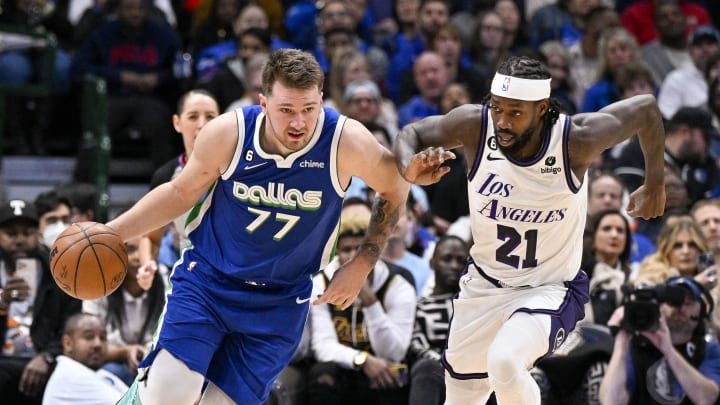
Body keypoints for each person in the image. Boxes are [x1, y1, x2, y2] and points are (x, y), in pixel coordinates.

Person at [109, 48, 409, 405]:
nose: (298, 123)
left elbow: (395, 186)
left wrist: (360, 265)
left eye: (308, 110)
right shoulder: (229, 133)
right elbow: (179, 191)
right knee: (168, 398)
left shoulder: (345, 141)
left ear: (322, 100)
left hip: (281, 300)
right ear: (264, 103)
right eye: (286, 110)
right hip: (208, 283)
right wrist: (110, 233)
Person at [393, 55, 666, 404]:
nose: (503, 122)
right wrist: (408, 167)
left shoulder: (575, 140)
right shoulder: (475, 127)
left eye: (516, 112)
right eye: (498, 109)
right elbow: (410, 133)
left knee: (505, 362)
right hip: (484, 287)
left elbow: (646, 108)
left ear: (541, 109)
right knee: (461, 396)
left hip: (549, 289)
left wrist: (655, 180)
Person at [307, 209, 416, 404]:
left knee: (393, 374)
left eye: (360, 249)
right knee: (322, 374)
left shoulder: (398, 284)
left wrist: (369, 300)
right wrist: (362, 360)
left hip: (384, 368)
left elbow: (394, 352)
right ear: (337, 253)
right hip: (345, 366)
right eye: (346, 249)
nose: (352, 257)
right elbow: (322, 346)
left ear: (375, 251)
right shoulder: (321, 283)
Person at [0, 199, 82, 404]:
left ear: (38, 235)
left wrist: (46, 356)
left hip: (45, 361)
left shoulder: (58, 273)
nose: (19, 240)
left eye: (27, 233)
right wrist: (1, 303)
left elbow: (71, 324)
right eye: (11, 234)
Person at [599, 276, 720, 404]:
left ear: (701, 311)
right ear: (659, 307)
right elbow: (610, 401)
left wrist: (668, 350)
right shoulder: (636, 348)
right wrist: (621, 344)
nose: (680, 308)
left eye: (689, 303)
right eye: (673, 302)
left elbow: (706, 399)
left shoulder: (710, 350)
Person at [407, 235, 469, 405]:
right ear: (432, 262)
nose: (454, 266)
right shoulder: (419, 307)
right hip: (436, 371)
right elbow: (416, 346)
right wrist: (449, 366)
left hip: (477, 370)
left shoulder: (477, 305)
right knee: (425, 367)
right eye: (447, 259)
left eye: (460, 261)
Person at [41, 313, 128, 404]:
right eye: (89, 337)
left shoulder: (100, 373)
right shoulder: (72, 376)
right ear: (68, 343)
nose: (98, 344)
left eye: (103, 337)